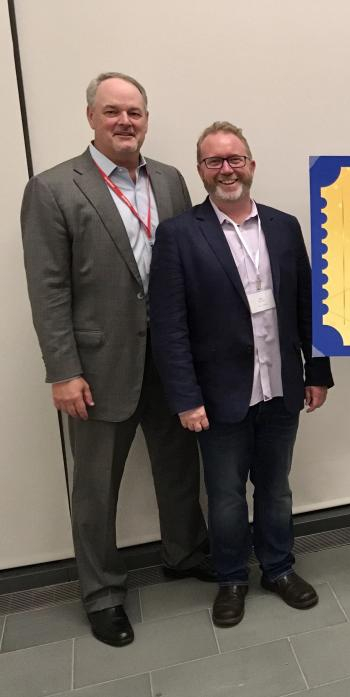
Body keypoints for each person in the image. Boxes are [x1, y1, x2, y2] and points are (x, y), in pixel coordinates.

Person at [20, 72, 211, 647]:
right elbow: (48, 287)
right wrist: (63, 369)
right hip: (99, 368)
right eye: (112, 112)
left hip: (172, 360)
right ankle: (102, 593)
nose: (125, 122)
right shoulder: (53, 189)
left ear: (147, 119)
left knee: (179, 466)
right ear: (91, 118)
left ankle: (184, 553)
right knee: (96, 485)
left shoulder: (172, 181)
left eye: (135, 112)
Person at [149, 121, 333, 628]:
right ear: (201, 171)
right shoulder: (180, 235)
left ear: (251, 164)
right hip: (218, 395)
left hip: (280, 387)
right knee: (227, 495)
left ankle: (278, 568)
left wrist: (317, 371)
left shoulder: (284, 225)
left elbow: (307, 305)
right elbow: (170, 326)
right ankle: (231, 577)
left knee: (275, 488)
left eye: (235, 159)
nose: (226, 169)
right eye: (214, 161)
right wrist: (186, 399)